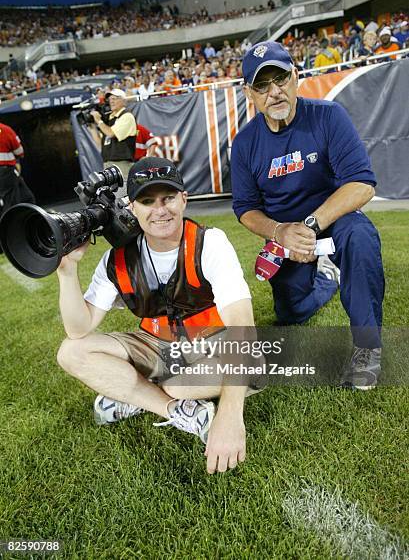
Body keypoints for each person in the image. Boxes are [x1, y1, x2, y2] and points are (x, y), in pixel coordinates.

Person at [56, 157, 256, 474]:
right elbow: (79, 329)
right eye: (147, 201)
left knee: (178, 382)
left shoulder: (210, 243)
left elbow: (243, 326)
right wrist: (67, 272)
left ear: (184, 199)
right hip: (157, 344)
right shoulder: (116, 259)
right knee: (71, 351)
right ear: (132, 208)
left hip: (215, 345)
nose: (159, 210)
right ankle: (175, 410)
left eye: (168, 198)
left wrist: (231, 415)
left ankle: (130, 391)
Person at [230, 41, 384, 390]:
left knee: (359, 237)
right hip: (286, 240)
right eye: (262, 86)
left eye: (280, 79)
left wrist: (311, 226)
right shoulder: (244, 144)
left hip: (332, 222)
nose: (274, 92)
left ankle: (367, 347)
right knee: (292, 313)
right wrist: (280, 231)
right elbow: (245, 209)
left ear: (295, 77)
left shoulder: (329, 116)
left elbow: (362, 185)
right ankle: (327, 279)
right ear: (249, 94)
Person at [90, 88, 137, 195]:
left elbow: (111, 133)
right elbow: (100, 143)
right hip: (107, 165)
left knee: (122, 200)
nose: (111, 101)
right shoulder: (109, 119)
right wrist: (92, 126)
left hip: (121, 165)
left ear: (124, 101)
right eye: (110, 99)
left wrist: (99, 121)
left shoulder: (126, 116)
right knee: (112, 202)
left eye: (115, 98)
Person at [0, 122, 35, 223]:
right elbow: (19, 151)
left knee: (26, 196)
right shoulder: (4, 129)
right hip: (5, 171)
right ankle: (8, 230)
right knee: (10, 202)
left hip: (8, 173)